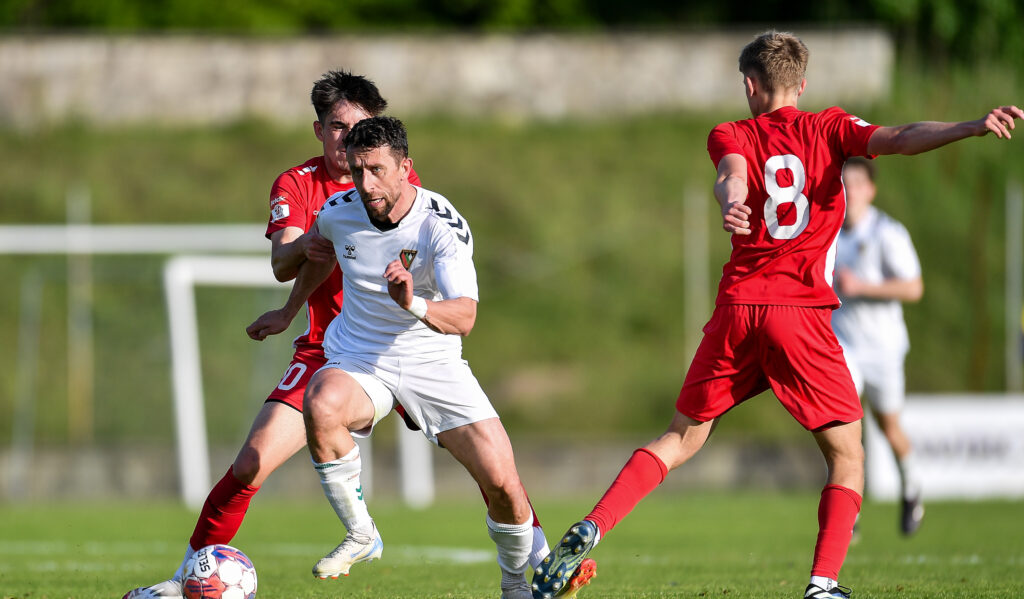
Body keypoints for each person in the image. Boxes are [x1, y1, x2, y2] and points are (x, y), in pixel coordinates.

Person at [532, 30, 1023, 599]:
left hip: (739, 309)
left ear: (750, 85)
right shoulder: (831, 127)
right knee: (847, 455)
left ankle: (594, 524)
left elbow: (731, 175)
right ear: (802, 85)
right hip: (801, 315)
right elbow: (899, 137)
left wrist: (733, 202)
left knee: (681, 437)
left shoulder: (730, 133)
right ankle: (822, 585)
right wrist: (969, 126)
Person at [293, 115, 591, 599]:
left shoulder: (439, 226)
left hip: (432, 360)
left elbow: (465, 316)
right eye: (358, 170)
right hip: (361, 356)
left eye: (377, 170)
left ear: (405, 167)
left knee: (503, 485)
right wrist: (287, 310)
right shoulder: (336, 212)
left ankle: (516, 584)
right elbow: (319, 256)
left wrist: (412, 302)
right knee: (320, 403)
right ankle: (361, 533)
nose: (366, 184)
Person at [833, 157, 925, 536]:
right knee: (842, 425)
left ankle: (911, 488)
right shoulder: (828, 232)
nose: (850, 191)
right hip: (843, 345)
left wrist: (862, 288)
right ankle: (847, 512)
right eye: (844, 183)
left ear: (870, 190)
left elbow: (914, 287)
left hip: (884, 348)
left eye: (857, 183)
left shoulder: (888, 232)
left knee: (890, 428)